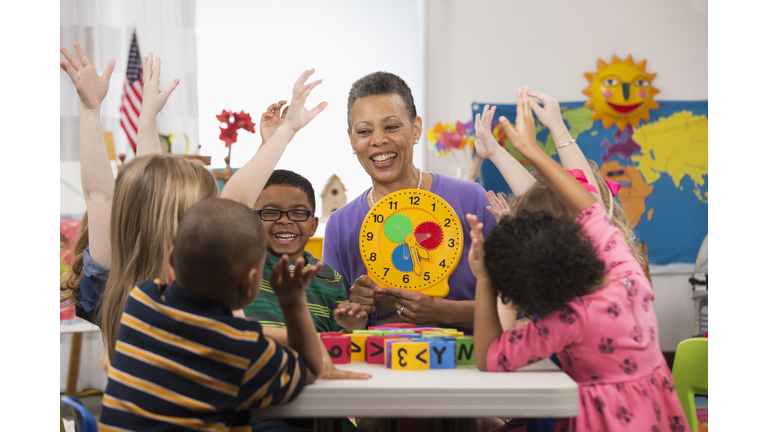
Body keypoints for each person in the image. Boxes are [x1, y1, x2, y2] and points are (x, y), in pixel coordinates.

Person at [60, 41, 329, 363]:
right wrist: (286, 131)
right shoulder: (135, 286)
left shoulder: (123, 290)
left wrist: (128, 115)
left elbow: (125, 191)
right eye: (210, 203)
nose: (220, 209)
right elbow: (104, 194)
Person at [468, 87, 688, 432]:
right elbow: (587, 207)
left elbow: (488, 357)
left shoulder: (567, 320)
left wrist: (485, 277)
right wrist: (534, 151)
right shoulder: (629, 278)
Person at [97, 198, 330, 431]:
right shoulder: (243, 352)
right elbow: (311, 368)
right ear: (250, 282)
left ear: (171, 260)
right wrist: (293, 302)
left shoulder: (141, 301)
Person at [321, 71, 496, 333]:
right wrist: (355, 311)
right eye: (365, 131)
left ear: (416, 129)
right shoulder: (339, 225)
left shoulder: (472, 200)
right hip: (379, 369)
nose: (379, 140)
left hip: (471, 366)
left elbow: (520, 308)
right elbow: (332, 328)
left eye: (391, 126)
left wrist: (444, 311)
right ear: (352, 140)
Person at [244, 169, 367, 333]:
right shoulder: (241, 265)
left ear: (313, 226)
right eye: (271, 212)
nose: (284, 220)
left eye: (298, 213)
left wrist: (353, 329)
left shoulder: (330, 279)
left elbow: (340, 344)